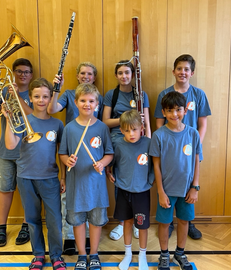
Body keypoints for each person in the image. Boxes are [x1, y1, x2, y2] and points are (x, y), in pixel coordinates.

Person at [3, 77, 66, 270]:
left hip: (49, 179)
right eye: (37, 96)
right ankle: (38, 254)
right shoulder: (22, 121)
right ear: (29, 98)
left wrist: (63, 176)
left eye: (45, 96)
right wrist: (8, 120)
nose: (41, 100)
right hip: (26, 177)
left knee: (55, 220)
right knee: (32, 218)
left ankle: (56, 255)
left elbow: (61, 153)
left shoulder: (57, 124)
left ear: (50, 98)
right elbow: (10, 144)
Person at [48, 62, 103, 255]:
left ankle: (88, 241)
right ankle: (70, 238)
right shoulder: (69, 95)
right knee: (69, 199)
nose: (86, 76)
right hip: (71, 148)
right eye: (82, 73)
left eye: (90, 73)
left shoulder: (98, 100)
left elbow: (102, 123)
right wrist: (57, 89)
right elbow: (52, 109)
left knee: (90, 200)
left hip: (91, 150)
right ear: (77, 76)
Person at [154, 54, 211, 240]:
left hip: (191, 148)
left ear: (192, 72)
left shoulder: (199, 94)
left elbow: (202, 124)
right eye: (179, 68)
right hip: (170, 150)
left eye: (186, 69)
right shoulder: (164, 94)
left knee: (188, 186)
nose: (183, 72)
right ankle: (168, 221)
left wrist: (196, 147)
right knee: (170, 184)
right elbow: (158, 124)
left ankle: (187, 222)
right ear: (173, 71)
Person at [59, 83, 114, 270]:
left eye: (91, 101)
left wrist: (103, 163)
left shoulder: (102, 128)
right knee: (78, 221)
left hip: (96, 186)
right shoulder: (69, 128)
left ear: (97, 104)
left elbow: (109, 153)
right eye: (83, 100)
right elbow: (62, 153)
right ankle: (82, 255)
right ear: (75, 102)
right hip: (76, 185)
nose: (87, 104)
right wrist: (68, 161)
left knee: (97, 222)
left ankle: (94, 254)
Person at [150, 91, 201, 270]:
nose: (174, 114)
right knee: (164, 223)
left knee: (184, 221)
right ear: (163, 112)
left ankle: (180, 253)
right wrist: (161, 192)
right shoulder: (158, 135)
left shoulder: (193, 134)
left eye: (178, 110)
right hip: (167, 191)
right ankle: (164, 255)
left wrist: (195, 187)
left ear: (185, 110)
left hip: (187, 190)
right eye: (170, 111)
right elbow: (156, 166)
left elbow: (196, 161)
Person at [103, 59, 151, 241]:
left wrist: (149, 141)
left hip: (139, 140)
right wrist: (126, 119)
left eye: (127, 73)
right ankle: (123, 222)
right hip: (118, 139)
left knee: (139, 179)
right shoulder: (111, 95)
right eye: (120, 73)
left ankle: (138, 220)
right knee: (120, 179)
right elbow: (105, 121)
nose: (124, 76)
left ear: (133, 75)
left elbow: (145, 120)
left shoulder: (141, 94)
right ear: (116, 75)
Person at [0, 58, 34, 247]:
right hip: (6, 150)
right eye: (18, 71)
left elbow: (33, 116)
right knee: (5, 189)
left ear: (31, 75)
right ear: (13, 73)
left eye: (26, 72)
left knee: (27, 190)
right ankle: (1, 227)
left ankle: (26, 225)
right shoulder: (4, 92)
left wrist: (17, 97)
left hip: (28, 149)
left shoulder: (34, 93)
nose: (22, 74)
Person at [107, 110, 154, 270]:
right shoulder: (118, 144)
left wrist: (150, 180)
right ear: (121, 130)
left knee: (142, 226)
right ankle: (127, 254)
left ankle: (142, 255)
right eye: (126, 130)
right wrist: (108, 170)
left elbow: (155, 165)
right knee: (126, 222)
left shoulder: (148, 143)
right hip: (123, 191)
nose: (131, 134)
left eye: (134, 129)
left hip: (142, 192)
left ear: (141, 127)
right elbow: (112, 162)